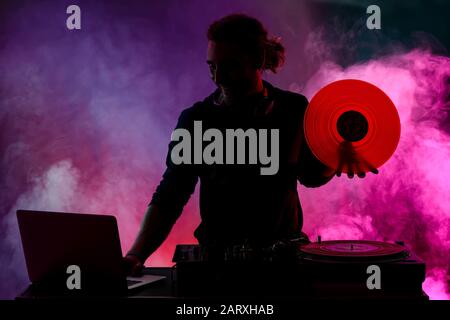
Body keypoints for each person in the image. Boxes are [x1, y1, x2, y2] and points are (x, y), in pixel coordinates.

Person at [123, 14, 368, 276]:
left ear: (258, 61)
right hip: (218, 264)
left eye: (230, 67)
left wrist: (334, 158)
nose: (219, 78)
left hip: (283, 264)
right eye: (212, 67)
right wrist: (136, 254)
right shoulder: (197, 120)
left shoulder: (293, 109)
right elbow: (171, 194)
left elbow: (310, 175)